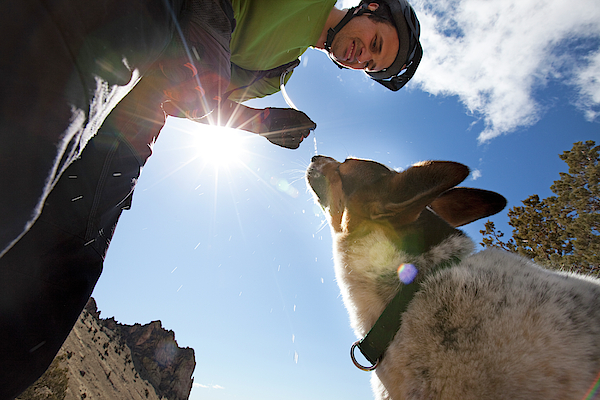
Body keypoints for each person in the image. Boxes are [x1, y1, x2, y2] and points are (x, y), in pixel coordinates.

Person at [0, 0, 423, 397]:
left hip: (130, 132)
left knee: (58, 287)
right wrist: (211, 29)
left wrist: (257, 123)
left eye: (369, 62)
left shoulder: (280, 73)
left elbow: (194, 100)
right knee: (22, 180)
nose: (360, 54)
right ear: (371, 7)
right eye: (374, 43)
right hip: (126, 31)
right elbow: (204, 35)